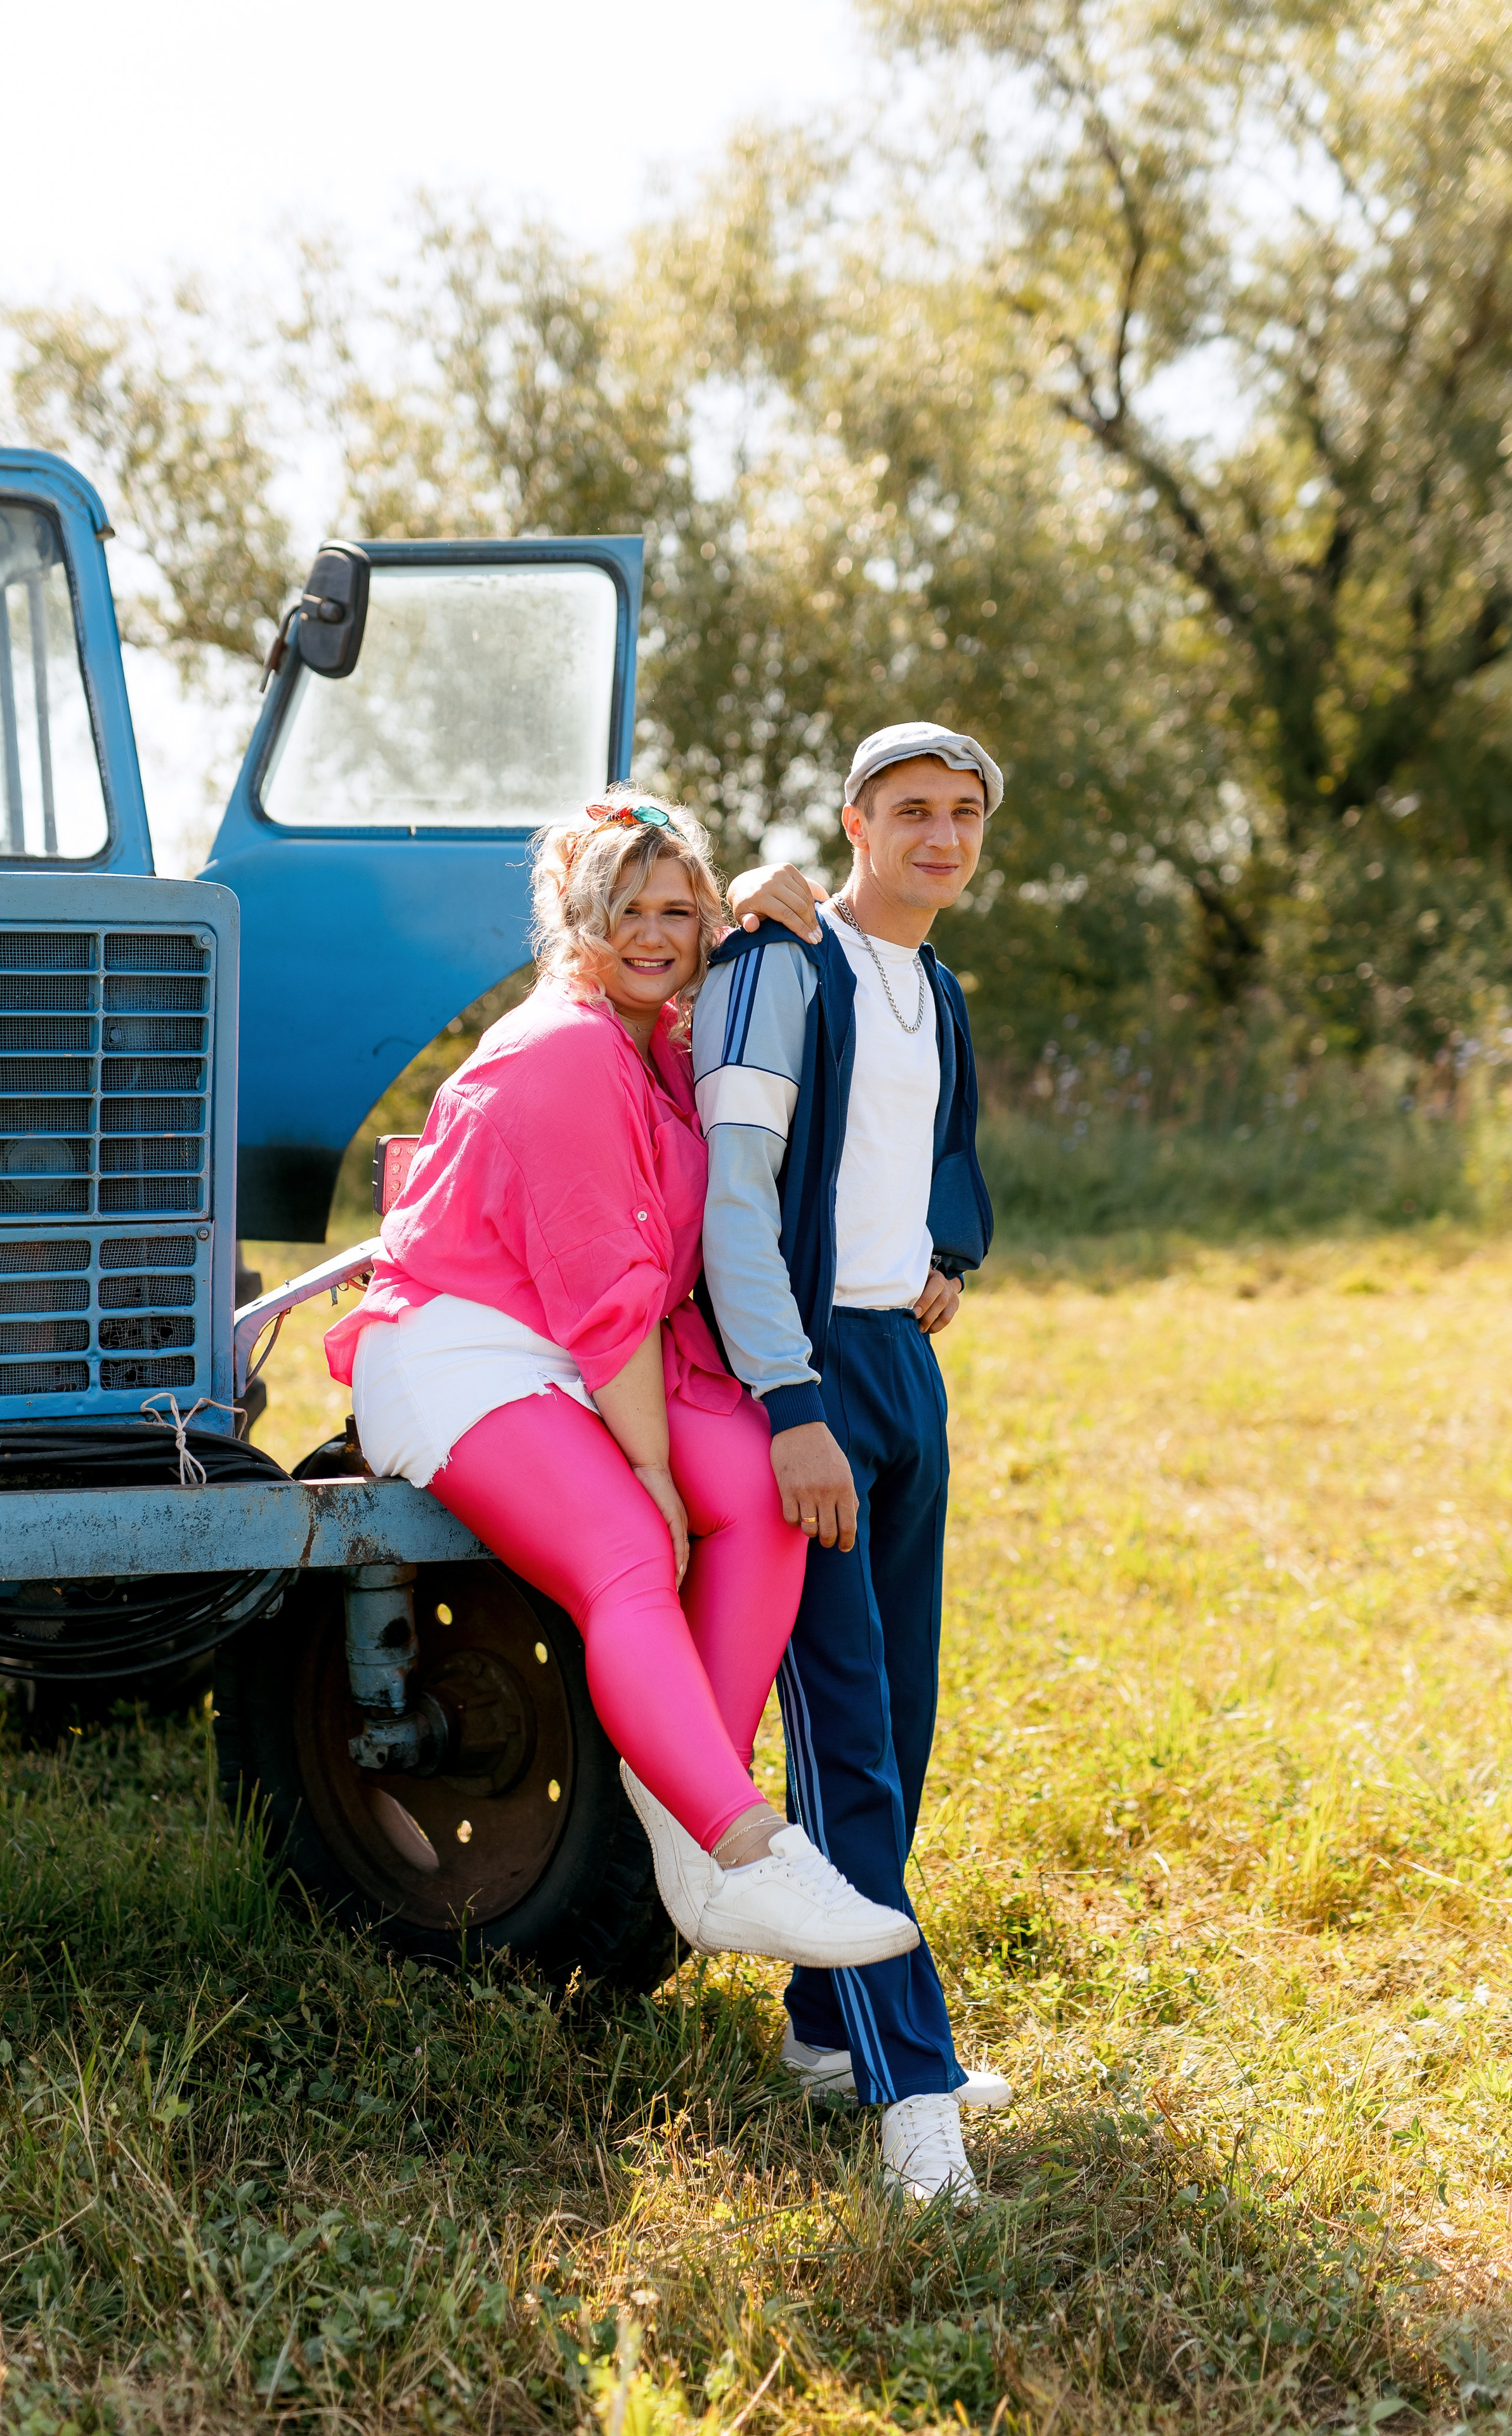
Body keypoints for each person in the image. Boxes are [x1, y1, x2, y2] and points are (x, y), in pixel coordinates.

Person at [324, 790, 920, 1973]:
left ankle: (691, 1826)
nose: (654, 933)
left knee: (759, 1494)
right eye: (624, 910)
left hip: (605, 1344)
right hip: (467, 1346)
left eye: (678, 909)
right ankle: (745, 1844)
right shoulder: (562, 1049)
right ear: (572, 920)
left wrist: (751, 905)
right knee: (630, 1551)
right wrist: (648, 1467)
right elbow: (605, 1293)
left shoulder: (669, 1038)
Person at [689, 721, 1017, 2205]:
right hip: (805, 1371)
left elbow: (936, 1149)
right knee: (847, 1741)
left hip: (902, 1370)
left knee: (911, 1715)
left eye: (960, 814)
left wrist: (942, 1257)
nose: (937, 836)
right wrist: (788, 1397)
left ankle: (827, 2030)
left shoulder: (936, 988)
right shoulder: (778, 962)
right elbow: (734, 1199)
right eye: (908, 810)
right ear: (851, 820)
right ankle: (909, 2091)